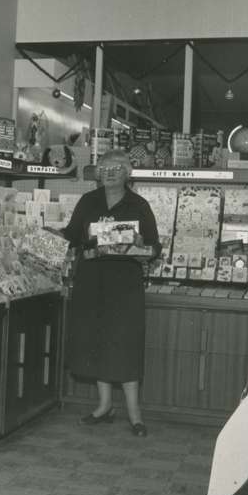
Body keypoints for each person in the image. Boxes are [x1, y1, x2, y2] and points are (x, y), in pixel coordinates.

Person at [63, 149, 160, 437]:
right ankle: (104, 406)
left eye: (117, 168)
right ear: (98, 173)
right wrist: (46, 237)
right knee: (97, 340)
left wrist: (142, 243)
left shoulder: (139, 205)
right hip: (91, 281)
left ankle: (135, 415)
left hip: (124, 284)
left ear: (127, 174)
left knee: (124, 343)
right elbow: (71, 236)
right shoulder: (87, 201)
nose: (110, 173)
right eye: (105, 168)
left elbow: (154, 248)